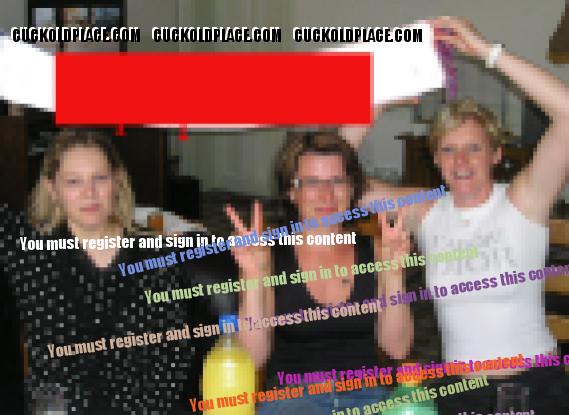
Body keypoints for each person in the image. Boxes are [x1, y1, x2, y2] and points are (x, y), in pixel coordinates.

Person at [345, 16, 569, 414]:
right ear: (436, 159)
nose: (461, 161)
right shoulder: (426, 209)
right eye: (448, 150)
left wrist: (488, 53)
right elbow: (336, 179)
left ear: (496, 154)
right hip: (460, 390)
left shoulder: (525, 199)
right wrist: (376, 100)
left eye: (474, 148)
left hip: (536, 387)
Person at [0, 129, 228, 414]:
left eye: (100, 178)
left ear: (117, 181)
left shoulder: (156, 258)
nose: (89, 193)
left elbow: (171, 367)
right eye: (73, 181)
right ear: (52, 189)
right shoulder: (29, 254)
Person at [225, 132, 413, 414]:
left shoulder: (378, 251)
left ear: (351, 188)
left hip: (368, 395)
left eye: (337, 181)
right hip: (292, 399)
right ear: (292, 191)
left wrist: (394, 274)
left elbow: (397, 348)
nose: (327, 195)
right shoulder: (267, 255)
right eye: (312, 182)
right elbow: (252, 358)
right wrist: (253, 277)